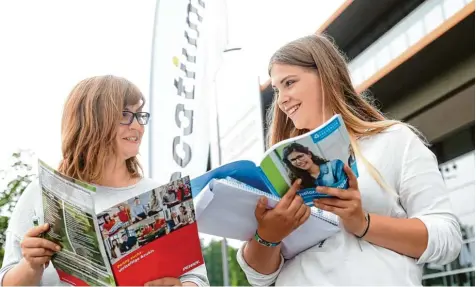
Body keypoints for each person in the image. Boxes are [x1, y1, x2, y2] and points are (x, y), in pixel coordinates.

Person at [236, 35, 462, 285]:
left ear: (325, 76)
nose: (281, 100)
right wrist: (268, 235)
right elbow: (258, 277)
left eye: (289, 83)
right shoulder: (280, 171)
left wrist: (363, 223)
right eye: (277, 90)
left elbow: (448, 239)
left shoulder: (394, 140)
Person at [0, 75, 209, 286]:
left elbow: (197, 278)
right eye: (126, 114)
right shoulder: (41, 194)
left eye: (139, 115)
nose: (137, 126)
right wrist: (31, 265)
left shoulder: (161, 195)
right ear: (91, 120)